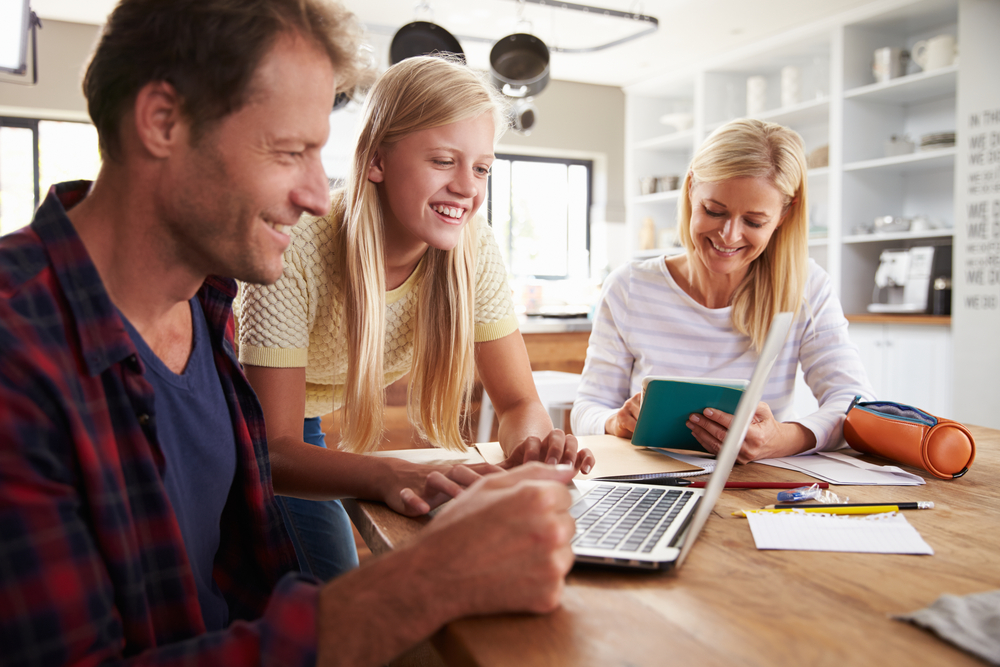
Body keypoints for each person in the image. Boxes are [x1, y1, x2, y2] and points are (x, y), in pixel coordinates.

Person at [0, 1, 578, 665]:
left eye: (320, 153)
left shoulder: (203, 309)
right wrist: (420, 582)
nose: (315, 192)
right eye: (289, 151)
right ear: (163, 121)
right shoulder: (19, 351)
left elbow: (241, 598)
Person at [236, 55, 595, 581]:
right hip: (236, 420)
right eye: (443, 160)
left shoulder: (473, 251)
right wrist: (390, 472)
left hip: (293, 427)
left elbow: (519, 402)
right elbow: (274, 448)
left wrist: (530, 455)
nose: (468, 187)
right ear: (377, 160)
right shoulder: (296, 247)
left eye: (481, 168)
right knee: (325, 584)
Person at [571, 118, 875, 462]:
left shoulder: (806, 286)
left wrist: (783, 438)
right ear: (690, 190)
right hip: (648, 479)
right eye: (714, 211)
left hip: (756, 485)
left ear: (783, 215)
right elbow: (585, 409)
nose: (729, 236)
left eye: (754, 221)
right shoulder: (630, 287)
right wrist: (614, 421)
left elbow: (856, 402)